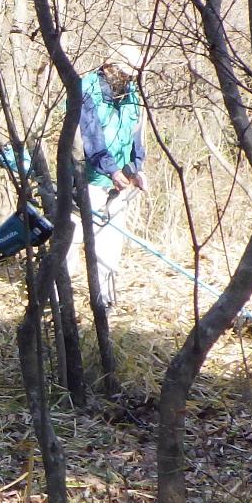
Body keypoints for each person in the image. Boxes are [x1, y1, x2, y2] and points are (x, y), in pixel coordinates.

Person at [72, 41, 148, 309]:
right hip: (87, 179)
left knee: (111, 242)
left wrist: (136, 168)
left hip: (120, 183)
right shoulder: (85, 88)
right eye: (125, 73)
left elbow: (137, 133)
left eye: (132, 75)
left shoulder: (132, 94)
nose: (129, 79)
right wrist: (111, 169)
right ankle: (61, 302)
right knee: (74, 238)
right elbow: (89, 136)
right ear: (109, 67)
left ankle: (104, 301)